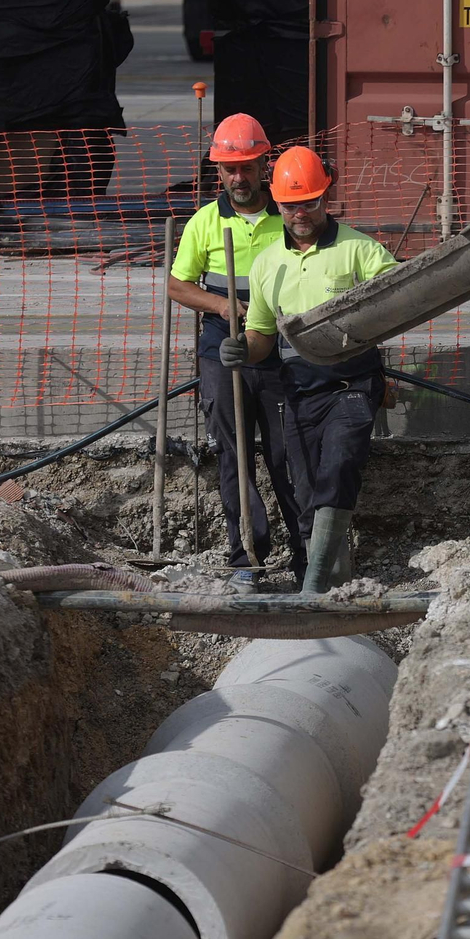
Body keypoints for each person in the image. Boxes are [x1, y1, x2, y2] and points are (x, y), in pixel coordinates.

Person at [221, 146, 398, 594]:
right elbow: (262, 339)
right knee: (303, 495)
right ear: (276, 202)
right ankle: (320, 585)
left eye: (310, 203)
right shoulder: (267, 265)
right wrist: (243, 349)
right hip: (298, 391)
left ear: (326, 198)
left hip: (351, 384)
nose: (300, 213)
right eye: (290, 205)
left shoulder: (359, 250)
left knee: (339, 467)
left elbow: (399, 299)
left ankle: (321, 584)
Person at [168, 112, 303, 591]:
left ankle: (307, 556)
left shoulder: (287, 214)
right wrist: (224, 306)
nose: (239, 177)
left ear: (264, 163)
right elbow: (178, 285)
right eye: (230, 169)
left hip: (281, 352)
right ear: (218, 172)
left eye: (247, 166)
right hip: (221, 351)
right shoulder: (206, 221)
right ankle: (246, 553)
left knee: (290, 454)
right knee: (235, 454)